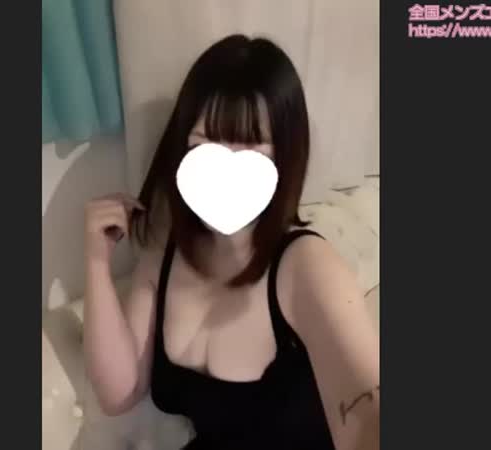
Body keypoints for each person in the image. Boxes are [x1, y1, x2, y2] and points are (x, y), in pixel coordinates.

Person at [83, 34, 379, 450]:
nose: (225, 164)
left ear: (285, 154)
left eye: (251, 143)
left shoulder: (306, 265)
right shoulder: (162, 257)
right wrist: (96, 260)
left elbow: (369, 410)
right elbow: (118, 394)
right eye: (206, 141)